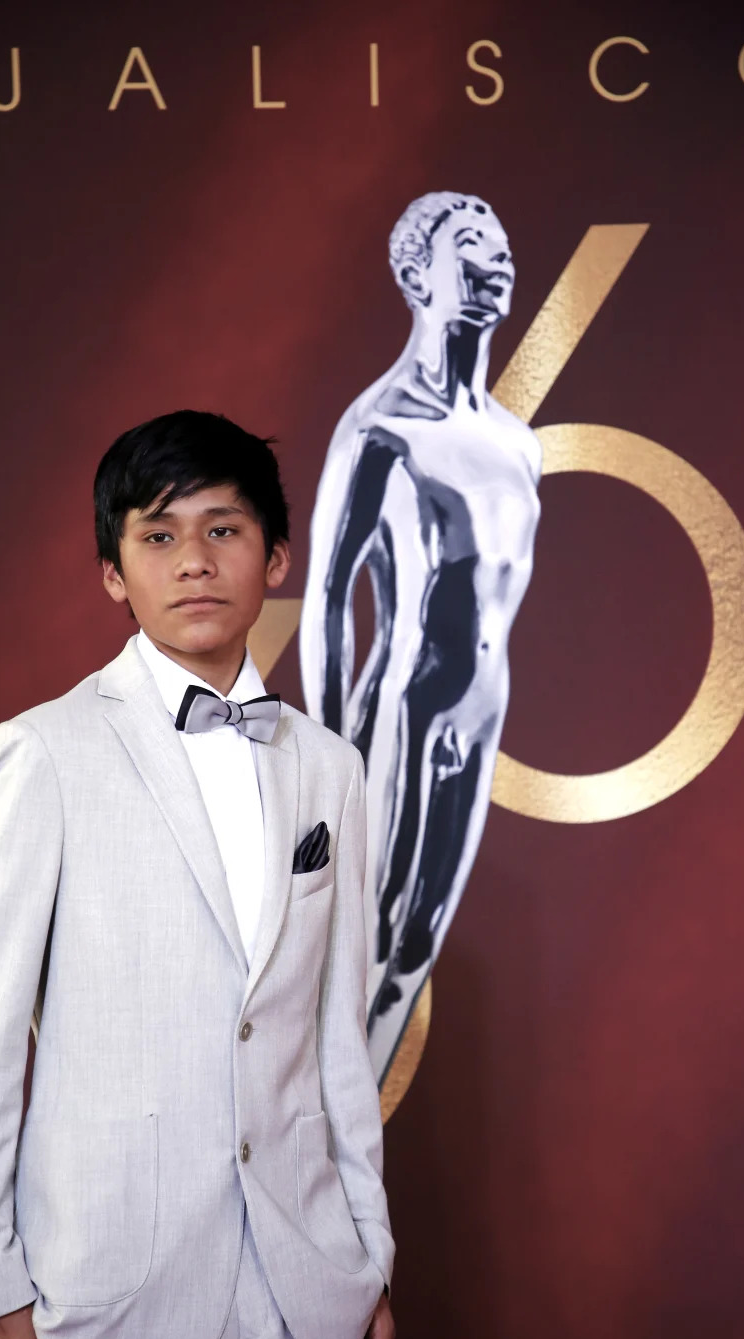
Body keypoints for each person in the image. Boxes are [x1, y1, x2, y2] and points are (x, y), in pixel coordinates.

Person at [0, 410, 395, 1339]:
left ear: (276, 559)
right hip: (116, 1292)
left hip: (308, 1285)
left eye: (223, 531)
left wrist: (366, 1256)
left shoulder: (332, 770)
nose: (194, 562)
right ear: (112, 572)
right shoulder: (42, 754)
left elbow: (336, 1045)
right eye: (159, 535)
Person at [299, 192, 542, 1085]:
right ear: (416, 275)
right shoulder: (380, 427)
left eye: (503, 240)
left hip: (481, 714)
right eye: (471, 242)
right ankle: (307, 1172)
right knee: (362, 941)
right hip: (400, 708)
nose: (496, 257)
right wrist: (331, 752)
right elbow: (327, 595)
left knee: (417, 943)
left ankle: (348, 1169)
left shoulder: (518, 444)